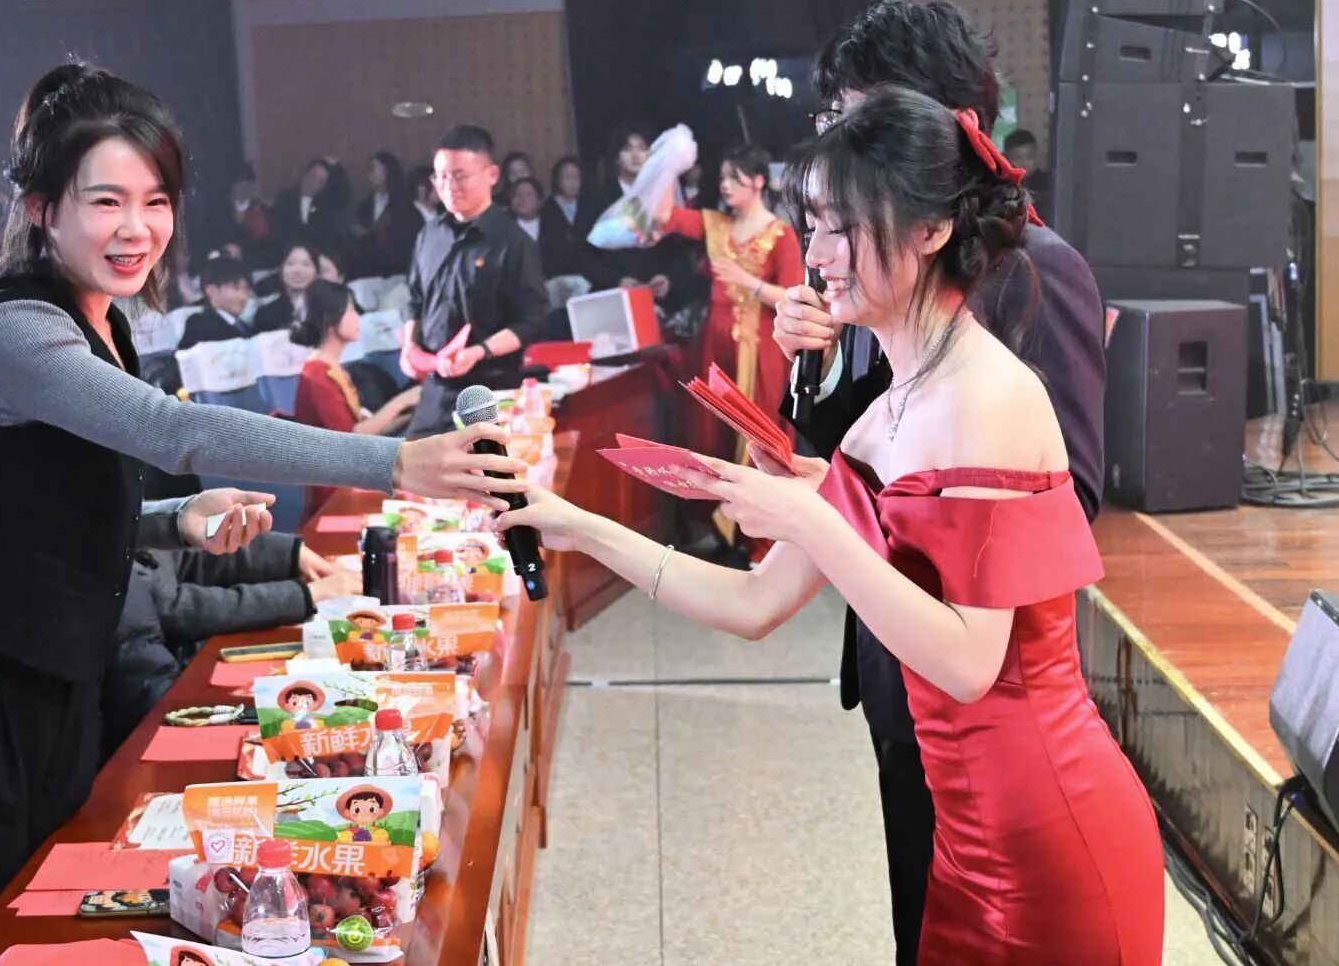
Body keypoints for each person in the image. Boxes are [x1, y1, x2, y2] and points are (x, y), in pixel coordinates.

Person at [0, 63, 530, 964]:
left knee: (50, 937)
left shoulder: (101, 320)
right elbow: (172, 429)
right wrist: (398, 462)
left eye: (156, 200)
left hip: (58, 683)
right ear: (41, 207)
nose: (136, 228)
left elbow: (25, 511)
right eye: (106, 201)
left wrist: (173, 519)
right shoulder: (13, 328)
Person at [498, 87, 1163, 964]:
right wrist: (578, 527)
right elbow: (753, 604)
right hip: (966, 834)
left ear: (931, 229)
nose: (816, 257)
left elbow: (971, 663)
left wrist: (812, 523)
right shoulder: (884, 415)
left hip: (1049, 832)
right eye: (813, 226)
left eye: (841, 228)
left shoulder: (989, 395)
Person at [770, 0, 1108, 964]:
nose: (842, 137)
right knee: (918, 917)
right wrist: (812, 367)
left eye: (856, 112)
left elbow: (1072, 496)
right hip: (898, 651)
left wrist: (875, 516)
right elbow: (855, 449)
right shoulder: (869, 255)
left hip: (984, 676)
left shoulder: (1037, 271)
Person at [101, 532, 361, 757]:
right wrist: (305, 595)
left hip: (170, 696)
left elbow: (188, 559)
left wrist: (289, 555)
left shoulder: (129, 517)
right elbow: (170, 608)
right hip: (149, 723)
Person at [662, 144, 803, 505]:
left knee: (757, 430)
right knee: (712, 430)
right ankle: (715, 516)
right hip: (715, 343)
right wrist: (667, 162)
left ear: (758, 181)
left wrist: (747, 281)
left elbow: (792, 296)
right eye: (723, 177)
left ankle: (758, 527)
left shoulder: (780, 234)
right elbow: (665, 216)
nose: (725, 185)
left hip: (760, 348)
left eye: (735, 177)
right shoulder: (717, 225)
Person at [402, 125, 550, 437]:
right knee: (412, 462)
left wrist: (478, 352)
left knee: (483, 466)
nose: (448, 186)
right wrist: (408, 347)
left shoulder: (513, 241)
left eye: (459, 176)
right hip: (435, 390)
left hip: (489, 389)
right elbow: (414, 301)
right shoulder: (428, 235)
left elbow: (532, 321)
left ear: (491, 175)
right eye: (441, 177)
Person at [291, 280, 423, 516]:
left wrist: (406, 416)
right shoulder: (317, 374)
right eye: (351, 310)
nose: (358, 317)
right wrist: (402, 401)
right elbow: (351, 437)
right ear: (331, 320)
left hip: (350, 477)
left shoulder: (328, 368)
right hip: (334, 490)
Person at [577, 124, 698, 315]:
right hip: (613, 298)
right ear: (616, 156)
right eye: (628, 149)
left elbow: (681, 251)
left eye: (643, 148)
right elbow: (582, 254)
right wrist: (616, 281)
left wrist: (669, 278)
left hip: (661, 298)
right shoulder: (597, 198)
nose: (636, 155)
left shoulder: (664, 196)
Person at [347, 152, 422, 281]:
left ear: (388, 171)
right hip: (368, 271)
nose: (369, 173)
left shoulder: (404, 204)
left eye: (373, 168)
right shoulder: (364, 205)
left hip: (398, 270)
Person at [179, 256, 253, 349]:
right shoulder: (200, 325)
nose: (243, 296)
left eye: (245, 288)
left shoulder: (246, 328)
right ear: (211, 291)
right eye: (235, 288)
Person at [211, 160, 273, 269]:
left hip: (255, 265)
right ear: (233, 186)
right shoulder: (220, 211)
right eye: (240, 185)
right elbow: (215, 239)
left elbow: (267, 244)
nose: (244, 190)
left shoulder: (263, 209)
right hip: (225, 266)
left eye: (247, 185)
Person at [252, 241, 320, 332]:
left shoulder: (328, 311)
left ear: (317, 273)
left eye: (306, 264)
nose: (298, 270)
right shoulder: (265, 315)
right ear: (281, 270)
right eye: (291, 263)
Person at [1003, 127, 1053, 223]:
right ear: (1007, 159)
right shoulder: (1003, 185)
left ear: (1036, 157)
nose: (1025, 163)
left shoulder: (1047, 183)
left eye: (1029, 157)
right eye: (1018, 158)